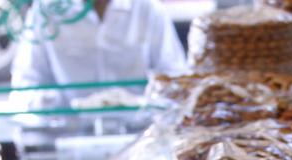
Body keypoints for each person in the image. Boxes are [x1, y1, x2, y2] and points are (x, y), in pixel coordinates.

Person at [10, 0, 186, 111]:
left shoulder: (147, 8)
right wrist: (71, 106)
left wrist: (141, 103)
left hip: (138, 140)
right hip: (68, 141)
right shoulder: (47, 11)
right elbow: (24, 90)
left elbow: (178, 82)